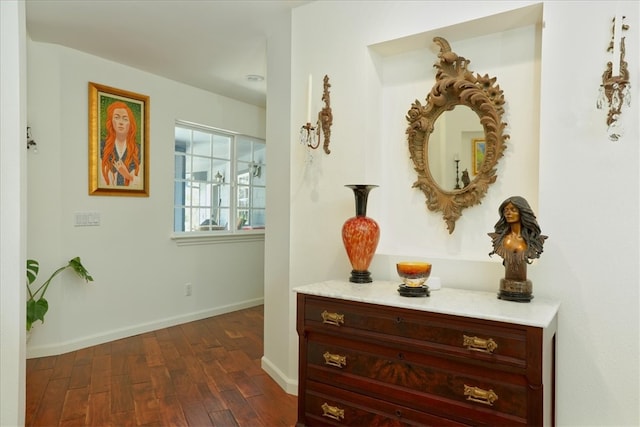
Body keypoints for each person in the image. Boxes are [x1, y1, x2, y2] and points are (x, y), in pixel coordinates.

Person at [488, 196, 547, 300]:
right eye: (506, 210)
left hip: (523, 290)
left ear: (522, 212)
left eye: (513, 210)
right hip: (505, 289)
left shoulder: (534, 241)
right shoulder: (499, 239)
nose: (508, 213)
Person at [100, 101, 140, 187]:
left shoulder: (138, 150)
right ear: (111, 121)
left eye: (125, 119)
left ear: (130, 124)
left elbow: (141, 184)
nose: (121, 122)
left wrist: (128, 176)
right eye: (117, 117)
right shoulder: (101, 146)